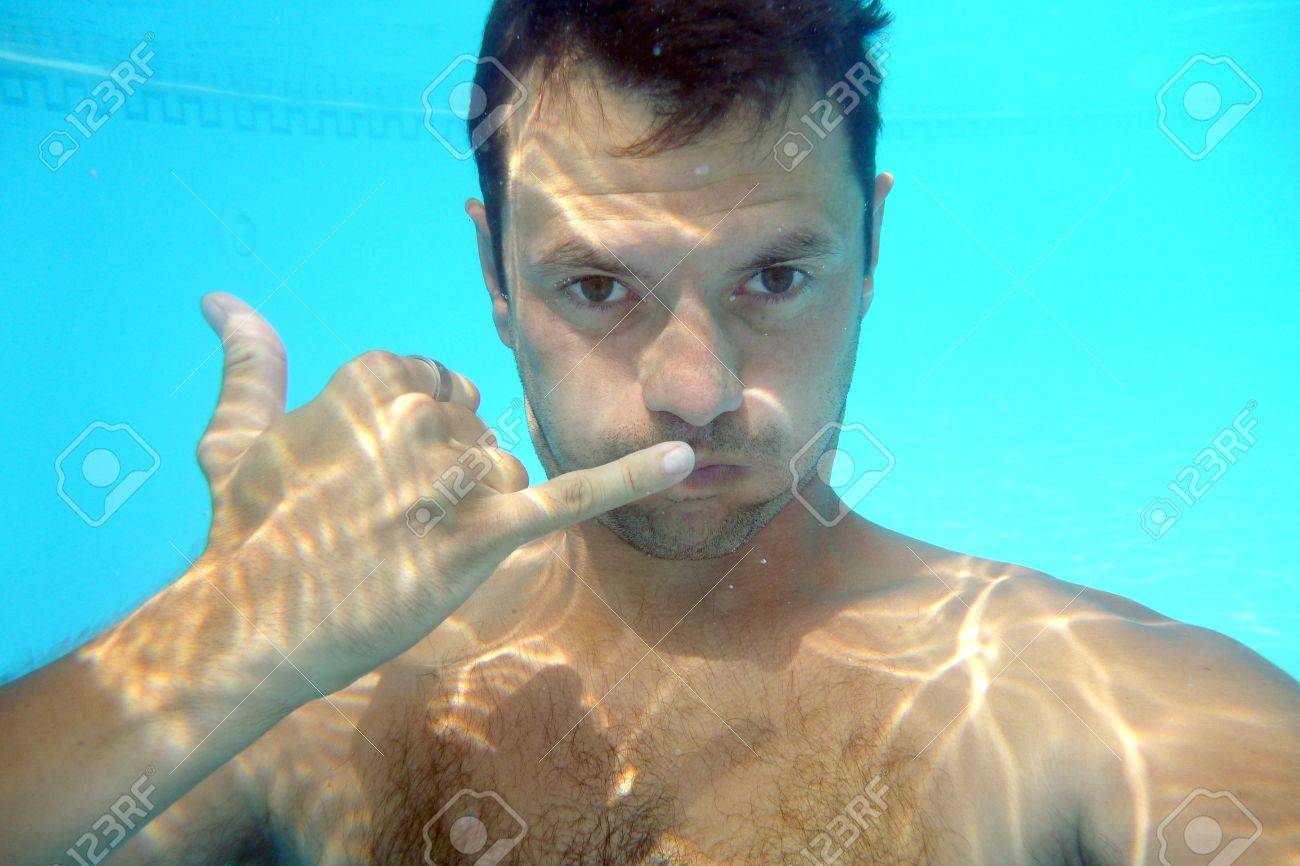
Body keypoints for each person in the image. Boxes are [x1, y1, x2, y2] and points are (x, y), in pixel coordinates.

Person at [3, 1, 1297, 863]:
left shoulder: (1077, 694)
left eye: (775, 276)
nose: (697, 387)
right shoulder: (327, 680)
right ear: (497, 283)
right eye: (600, 286)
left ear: (874, 248)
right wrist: (228, 625)